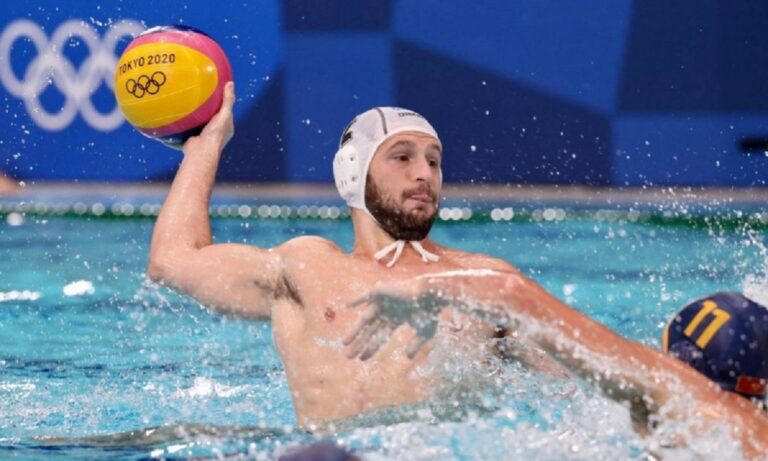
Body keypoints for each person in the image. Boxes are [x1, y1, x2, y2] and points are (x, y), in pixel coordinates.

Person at [147, 83, 561, 428]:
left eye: (433, 161)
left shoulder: (488, 282)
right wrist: (205, 147)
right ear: (352, 173)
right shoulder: (306, 268)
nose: (424, 174)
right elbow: (171, 260)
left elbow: (580, 389)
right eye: (402, 157)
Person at [346, 273, 768, 458]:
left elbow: (511, 292)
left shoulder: (676, 391)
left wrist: (423, 289)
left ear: (678, 362)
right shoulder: (753, 430)